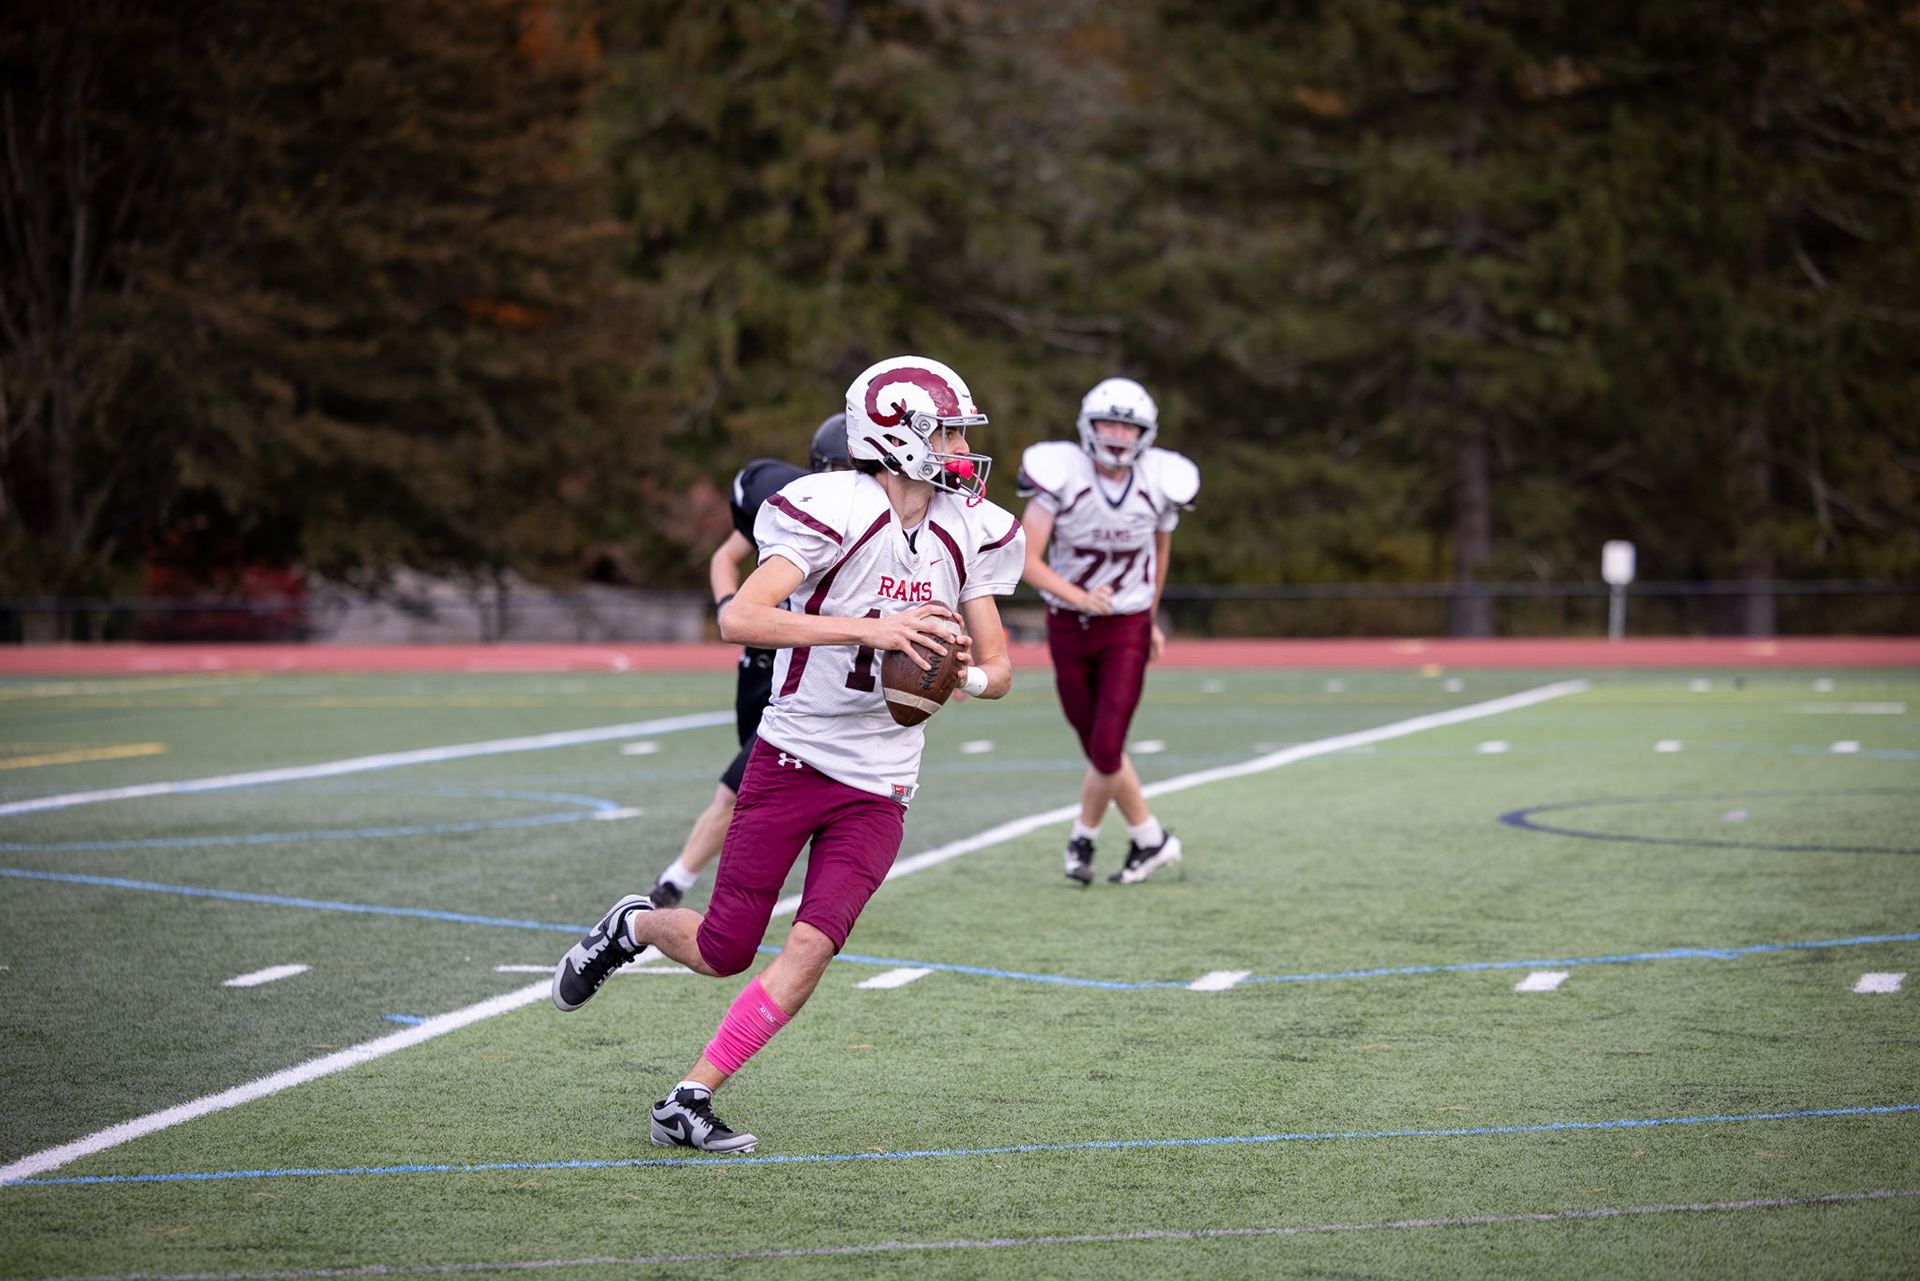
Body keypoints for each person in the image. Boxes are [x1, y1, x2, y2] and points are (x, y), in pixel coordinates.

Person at [553, 356, 1026, 1154]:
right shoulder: (829, 507)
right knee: (723, 949)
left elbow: (1002, 668)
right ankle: (634, 926)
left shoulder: (970, 526)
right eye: (943, 429)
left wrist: (959, 677)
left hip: (881, 780)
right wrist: (872, 630)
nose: (956, 445)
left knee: (813, 944)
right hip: (796, 754)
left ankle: (691, 1095)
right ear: (895, 435)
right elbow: (742, 616)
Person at [646, 414, 852, 909]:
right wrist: (727, 607)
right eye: (842, 467)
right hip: (759, 671)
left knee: (737, 788)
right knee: (759, 789)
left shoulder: (879, 523)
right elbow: (725, 557)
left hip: (810, 679)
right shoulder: (794, 504)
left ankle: (672, 884)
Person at [1016, 376, 1199, 886]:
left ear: (1147, 432)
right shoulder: (1062, 475)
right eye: (1108, 423)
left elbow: (1159, 553)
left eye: (1128, 425)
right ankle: (1149, 839)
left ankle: (1083, 838)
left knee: (1107, 742)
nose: (1118, 435)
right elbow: (1026, 558)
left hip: (1126, 624)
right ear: (1087, 426)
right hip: (1069, 625)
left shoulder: (1160, 480)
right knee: (1096, 741)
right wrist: (1077, 597)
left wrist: (1153, 616)